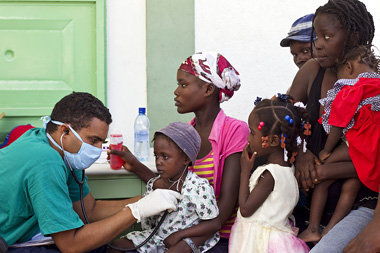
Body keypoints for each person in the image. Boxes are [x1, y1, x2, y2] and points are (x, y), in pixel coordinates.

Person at [0, 92, 181, 252]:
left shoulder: (63, 151)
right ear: (65, 130)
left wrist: (144, 200)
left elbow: (89, 210)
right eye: (93, 140)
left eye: (101, 141)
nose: (98, 149)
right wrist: (135, 212)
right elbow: (70, 245)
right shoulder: (45, 160)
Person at [111, 52, 249, 252]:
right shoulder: (185, 134)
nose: (176, 91)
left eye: (183, 84)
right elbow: (176, 189)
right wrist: (135, 165)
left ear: (208, 89)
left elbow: (226, 206)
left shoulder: (234, 131)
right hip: (178, 230)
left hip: (217, 236)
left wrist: (186, 239)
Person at [287, 0, 377, 251]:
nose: (319, 45)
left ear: (354, 35)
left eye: (327, 36)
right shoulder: (311, 71)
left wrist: (326, 171)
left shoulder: (372, 83)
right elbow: (282, 118)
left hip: (363, 203)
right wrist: (301, 152)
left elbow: (373, 153)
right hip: (309, 201)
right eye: (317, 36)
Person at [300, 45, 380, 243]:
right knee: (351, 185)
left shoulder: (351, 88)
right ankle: (330, 231)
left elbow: (337, 121)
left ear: (349, 68)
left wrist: (326, 150)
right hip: (375, 149)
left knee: (322, 173)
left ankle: (313, 228)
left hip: (359, 143)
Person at [109, 122, 220, 252]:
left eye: (165, 157)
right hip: (158, 238)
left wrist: (180, 235)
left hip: (186, 239)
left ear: (185, 158)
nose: (158, 162)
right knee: (117, 246)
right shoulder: (157, 184)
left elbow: (214, 223)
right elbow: (150, 224)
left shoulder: (198, 188)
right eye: (156, 156)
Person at [229, 97, 309, 253]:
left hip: (259, 243)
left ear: (272, 140)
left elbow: (246, 210)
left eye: (252, 133)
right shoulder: (288, 169)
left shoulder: (270, 174)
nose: (248, 138)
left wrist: (245, 170)